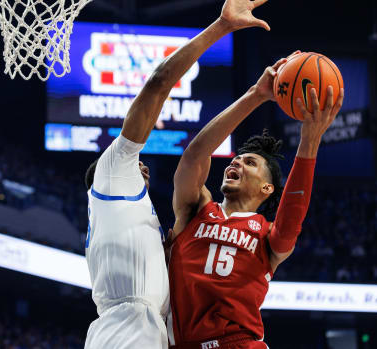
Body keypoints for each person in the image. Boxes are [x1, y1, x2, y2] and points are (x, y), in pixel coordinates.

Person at [82, 1, 272, 348]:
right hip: (127, 332)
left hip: (148, 332)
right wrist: (221, 27)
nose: (144, 167)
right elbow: (158, 82)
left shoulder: (140, 217)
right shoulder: (114, 169)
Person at [168, 57, 345, 348]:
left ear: (267, 188)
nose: (236, 162)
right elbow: (194, 155)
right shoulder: (196, 210)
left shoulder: (266, 236)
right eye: (236, 160)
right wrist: (256, 95)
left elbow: (291, 220)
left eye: (249, 162)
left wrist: (309, 141)